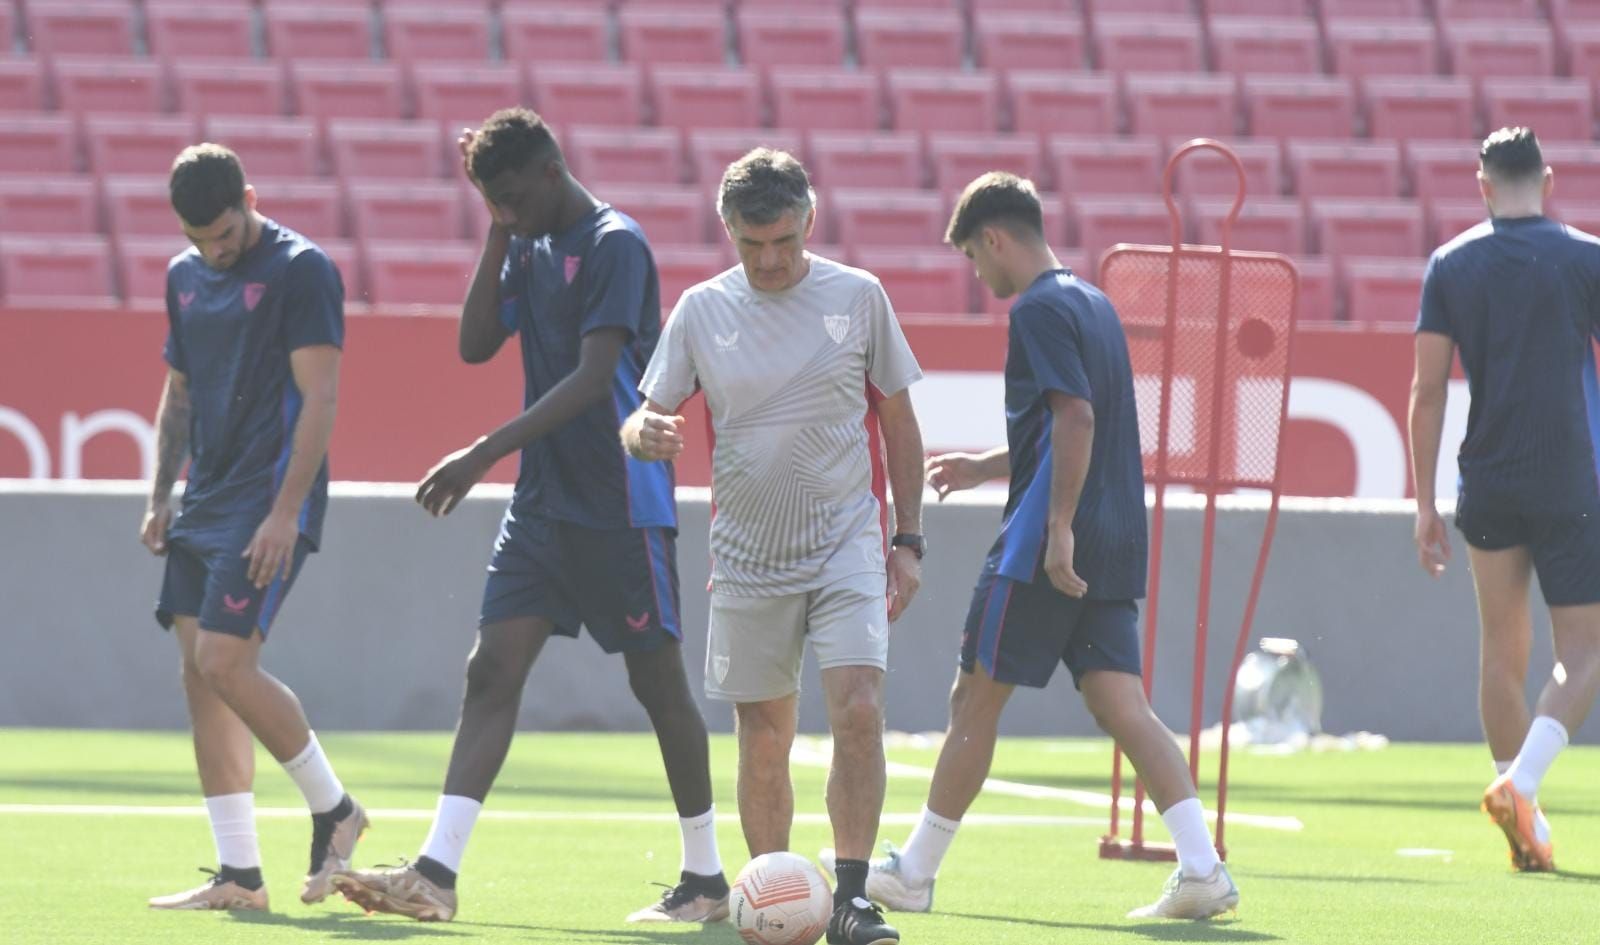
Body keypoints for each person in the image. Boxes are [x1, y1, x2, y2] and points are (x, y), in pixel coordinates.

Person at [330, 108, 726, 923]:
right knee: (491, 670)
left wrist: (483, 451)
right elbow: (476, 343)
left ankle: (706, 879)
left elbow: (593, 379)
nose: (505, 212)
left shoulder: (615, 243)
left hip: (621, 502)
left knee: (658, 685)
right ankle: (436, 872)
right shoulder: (527, 240)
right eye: (491, 202)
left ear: (552, 170)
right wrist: (498, 234)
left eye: (512, 197)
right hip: (543, 506)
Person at [820, 171, 1239, 921]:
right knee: (1122, 702)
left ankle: (913, 871)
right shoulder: (1093, 303)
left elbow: (1074, 420)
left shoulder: (1039, 308)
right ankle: (1203, 866)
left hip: (1047, 541)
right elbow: (1069, 424)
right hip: (1113, 535)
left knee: (975, 693)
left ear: (995, 239)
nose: (980, 277)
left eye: (975, 261)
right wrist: (986, 466)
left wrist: (1056, 529)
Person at [622, 148, 927, 945]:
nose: (769, 259)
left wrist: (908, 539)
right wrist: (643, 431)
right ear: (728, 230)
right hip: (750, 556)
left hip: (846, 544)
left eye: (784, 241)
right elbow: (643, 411)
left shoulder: (858, 298)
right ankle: (773, 899)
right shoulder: (699, 309)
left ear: (809, 220)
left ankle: (854, 900)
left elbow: (898, 420)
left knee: (859, 708)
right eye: (751, 244)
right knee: (764, 736)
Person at [141, 143, 366, 911]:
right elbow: (179, 392)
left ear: (250, 196)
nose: (212, 249)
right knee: (201, 678)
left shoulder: (302, 270)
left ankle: (336, 809)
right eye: (197, 238)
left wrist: (284, 511)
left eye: (224, 234)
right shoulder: (183, 276)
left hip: (266, 499)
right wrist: (159, 493)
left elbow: (321, 399)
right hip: (202, 501)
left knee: (226, 660)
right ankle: (240, 874)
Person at [1410, 126, 1600, 873]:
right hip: (1569, 478)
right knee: (1584, 652)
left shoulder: (1450, 263)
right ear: (1547, 180)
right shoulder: (1587, 257)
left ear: (1482, 186)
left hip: (1484, 477)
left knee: (1501, 652)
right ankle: (1520, 787)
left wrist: (1423, 502)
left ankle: (1522, 817)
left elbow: (1427, 391)